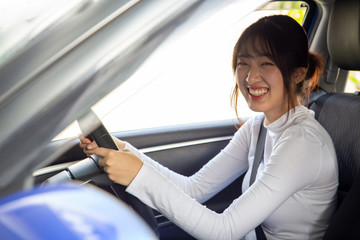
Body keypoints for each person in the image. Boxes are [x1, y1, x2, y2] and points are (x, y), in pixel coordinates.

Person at [80, 15, 338, 239]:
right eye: (243, 63)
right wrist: (125, 150)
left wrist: (138, 176)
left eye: (266, 64)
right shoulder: (258, 127)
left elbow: (224, 231)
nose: (250, 77)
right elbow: (194, 189)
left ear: (297, 73)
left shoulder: (302, 143)